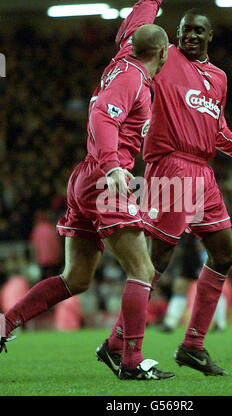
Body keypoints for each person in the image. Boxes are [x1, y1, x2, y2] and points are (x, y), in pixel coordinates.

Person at [0, 18, 174, 381]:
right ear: (163, 52)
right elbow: (100, 116)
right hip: (106, 180)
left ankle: (4, 325)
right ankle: (130, 360)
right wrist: (112, 166)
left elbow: (137, 21)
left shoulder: (122, 62)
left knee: (76, 278)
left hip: (84, 178)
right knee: (142, 270)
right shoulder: (133, 79)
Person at [102, 0, 232, 377]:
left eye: (197, 30)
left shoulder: (218, 77)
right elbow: (133, 37)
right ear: (176, 34)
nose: (189, 35)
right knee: (156, 261)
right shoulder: (165, 58)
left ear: (209, 36)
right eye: (185, 29)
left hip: (203, 173)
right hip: (170, 165)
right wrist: (148, 6)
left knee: (224, 254)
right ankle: (116, 343)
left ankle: (192, 345)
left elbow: (217, 126)